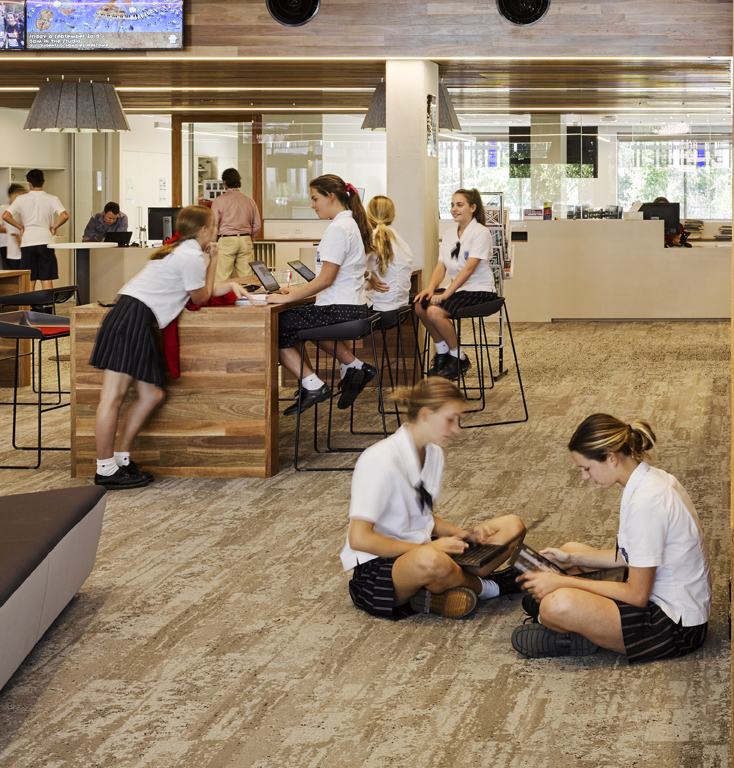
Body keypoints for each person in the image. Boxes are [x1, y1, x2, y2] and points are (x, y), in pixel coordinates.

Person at [512, 412, 711, 661]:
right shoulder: (650, 480)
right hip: (656, 593)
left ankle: (569, 630)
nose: (585, 476)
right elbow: (634, 558)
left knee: (556, 604)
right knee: (572, 550)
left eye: (586, 468)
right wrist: (571, 557)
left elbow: (637, 596)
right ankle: (572, 624)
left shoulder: (646, 502)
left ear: (611, 458)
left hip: (673, 625)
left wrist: (562, 583)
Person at [342, 375, 525, 621]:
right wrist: (428, 547)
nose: (456, 429)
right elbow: (359, 538)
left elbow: (420, 513)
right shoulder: (379, 459)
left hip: (425, 545)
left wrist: (459, 533)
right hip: (382, 567)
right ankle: (491, 587)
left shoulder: (434, 452)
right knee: (432, 561)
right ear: (426, 414)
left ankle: (440, 590)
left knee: (512, 525)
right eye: (450, 420)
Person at [90, 205, 219, 489]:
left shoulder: (176, 251)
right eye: (215, 226)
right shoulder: (192, 256)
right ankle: (105, 469)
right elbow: (201, 297)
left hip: (131, 316)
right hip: (131, 320)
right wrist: (215, 260)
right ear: (203, 230)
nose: (218, 231)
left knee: (152, 394)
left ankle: (121, 461)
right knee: (112, 397)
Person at [262, 174, 373, 414]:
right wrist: (298, 292)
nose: (312, 206)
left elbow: (326, 278)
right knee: (299, 321)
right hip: (351, 305)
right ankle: (353, 367)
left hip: (341, 308)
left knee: (277, 324)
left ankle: (313, 385)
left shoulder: (339, 228)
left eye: (315, 199)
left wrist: (288, 298)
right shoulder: (350, 224)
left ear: (330, 196)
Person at [415, 188, 499, 382]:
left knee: (435, 312)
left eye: (459, 205)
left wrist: (444, 295)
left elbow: (468, 270)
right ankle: (443, 352)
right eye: (452, 205)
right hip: (458, 289)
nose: (454, 209)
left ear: (473, 207)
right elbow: (441, 266)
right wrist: (431, 288)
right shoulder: (449, 233)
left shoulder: (481, 232)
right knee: (420, 305)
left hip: (479, 291)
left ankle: (458, 357)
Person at [7, 167, 69, 289]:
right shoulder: (52, 199)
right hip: (46, 241)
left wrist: (20, 227)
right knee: (46, 279)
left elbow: (6, 216)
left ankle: (30, 306)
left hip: (28, 242)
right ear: (43, 182)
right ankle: (47, 307)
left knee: (30, 279)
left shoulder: (21, 199)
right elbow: (65, 216)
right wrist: (54, 227)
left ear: (29, 184)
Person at [210, 167, 263, 287]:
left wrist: (213, 241)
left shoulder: (219, 201)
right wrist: (252, 236)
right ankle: (249, 300)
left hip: (226, 240)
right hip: (245, 240)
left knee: (223, 275)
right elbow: (257, 224)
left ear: (225, 182)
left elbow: (214, 224)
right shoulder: (250, 200)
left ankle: (223, 302)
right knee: (246, 277)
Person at [0, 183, 27, 272]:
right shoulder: (6, 209)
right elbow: (14, 234)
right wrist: (11, 229)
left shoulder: (20, 211)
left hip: (15, 247)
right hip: (9, 247)